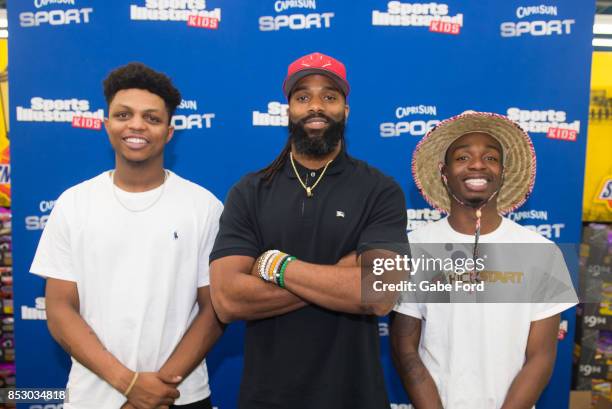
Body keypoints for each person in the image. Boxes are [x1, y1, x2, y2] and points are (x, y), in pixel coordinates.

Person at [209, 52, 408, 409]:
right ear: (288, 110)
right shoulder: (250, 191)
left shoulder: (380, 189)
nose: (316, 106)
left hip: (354, 395)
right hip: (267, 398)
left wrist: (274, 265)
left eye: (329, 97)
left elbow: (380, 292)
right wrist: (342, 274)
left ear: (346, 110)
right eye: (303, 97)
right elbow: (226, 300)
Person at [30, 62, 224, 409]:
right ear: (107, 125)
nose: (136, 125)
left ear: (169, 131)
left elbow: (216, 309)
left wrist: (156, 390)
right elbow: (59, 308)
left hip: (179, 396)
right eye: (123, 115)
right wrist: (130, 384)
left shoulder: (203, 206)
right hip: (94, 398)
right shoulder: (73, 204)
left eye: (151, 118)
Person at [390, 111, 578, 409]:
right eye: (463, 158)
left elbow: (541, 356)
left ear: (503, 172)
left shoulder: (541, 251)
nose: (477, 164)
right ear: (444, 172)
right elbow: (405, 349)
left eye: (490, 158)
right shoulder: (414, 248)